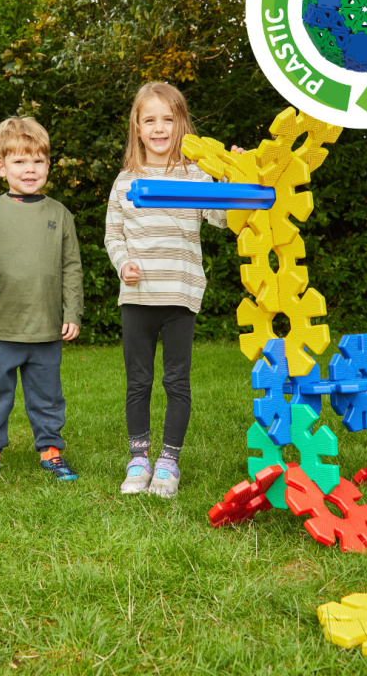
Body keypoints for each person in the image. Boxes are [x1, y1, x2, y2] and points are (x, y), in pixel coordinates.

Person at [104, 82, 242, 498]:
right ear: (137, 127)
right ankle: (138, 459)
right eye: (150, 120)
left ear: (182, 124)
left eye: (168, 119)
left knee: (176, 381)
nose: (159, 128)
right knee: (138, 382)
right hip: (138, 297)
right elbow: (113, 235)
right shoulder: (125, 181)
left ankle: (168, 462)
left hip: (181, 295)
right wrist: (123, 264)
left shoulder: (195, 176)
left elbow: (223, 218)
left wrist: (231, 175)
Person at [0, 116, 84, 483]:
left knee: (47, 395)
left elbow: (72, 267)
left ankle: (51, 450)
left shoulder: (60, 214)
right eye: (19, 161)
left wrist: (73, 312)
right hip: (0, 325)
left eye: (37, 161)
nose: (30, 169)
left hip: (45, 327)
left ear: (48, 165)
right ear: (2, 167)